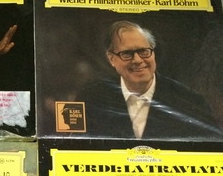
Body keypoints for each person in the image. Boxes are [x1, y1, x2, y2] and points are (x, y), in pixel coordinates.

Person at [79, 20, 221, 140]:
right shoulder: (91, 99)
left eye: (144, 51)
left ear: (153, 53)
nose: (138, 60)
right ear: (111, 59)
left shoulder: (191, 102)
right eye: (127, 54)